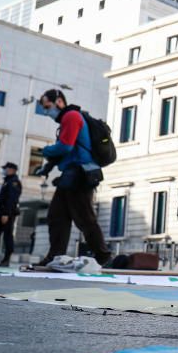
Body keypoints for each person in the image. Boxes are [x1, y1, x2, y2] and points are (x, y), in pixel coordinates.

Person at [37, 89, 112, 266]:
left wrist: (45, 151)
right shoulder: (69, 117)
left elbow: (65, 147)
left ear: (59, 102)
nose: (47, 112)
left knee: (84, 217)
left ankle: (104, 256)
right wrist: (47, 167)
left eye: (48, 107)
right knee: (57, 216)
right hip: (72, 174)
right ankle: (56, 256)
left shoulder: (71, 116)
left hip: (80, 174)